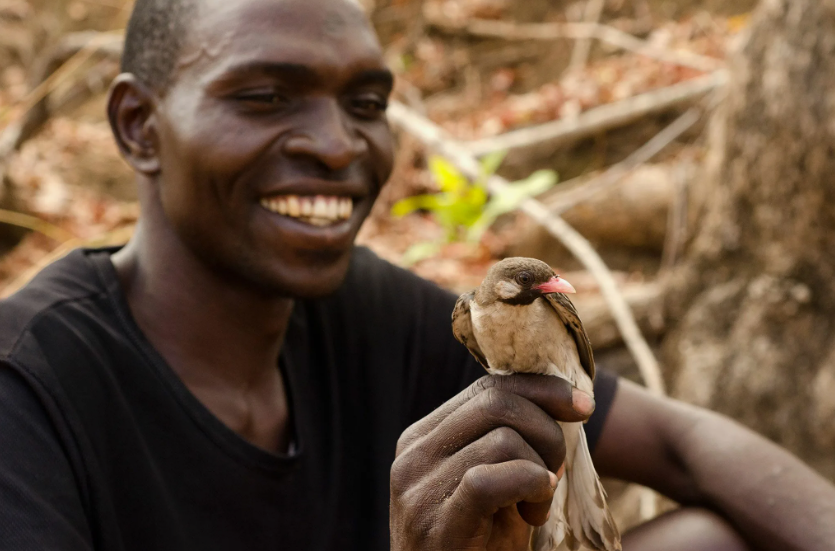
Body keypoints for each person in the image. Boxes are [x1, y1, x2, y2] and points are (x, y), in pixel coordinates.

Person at [0, 0, 833, 549]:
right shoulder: (26, 389)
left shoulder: (367, 309)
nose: (336, 144)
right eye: (263, 95)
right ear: (139, 126)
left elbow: (687, 442)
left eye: (365, 104)